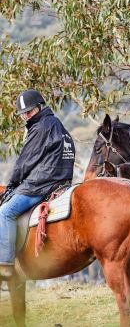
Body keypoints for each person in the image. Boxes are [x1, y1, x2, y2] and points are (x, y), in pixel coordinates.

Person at [0, 90, 75, 279]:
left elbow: (25, 161)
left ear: (39, 107)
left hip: (40, 184)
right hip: (60, 180)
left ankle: (5, 264)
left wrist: (12, 184)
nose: (26, 115)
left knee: (5, 212)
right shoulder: (56, 124)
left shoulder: (40, 127)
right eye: (24, 113)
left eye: (30, 111)